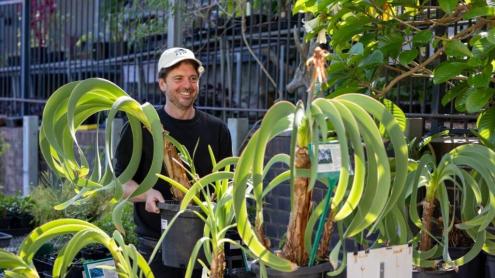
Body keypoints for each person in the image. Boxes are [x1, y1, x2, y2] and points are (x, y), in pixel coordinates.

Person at [114, 47, 232, 277]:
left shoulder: (217, 130)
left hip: (207, 248)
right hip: (156, 249)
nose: (187, 85)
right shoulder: (141, 128)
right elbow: (120, 184)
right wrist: (146, 194)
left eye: (193, 78)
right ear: (162, 84)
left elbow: (228, 183)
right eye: (178, 78)